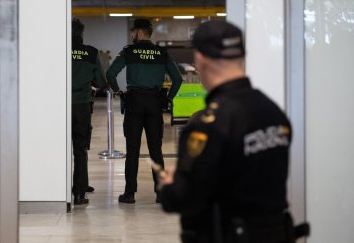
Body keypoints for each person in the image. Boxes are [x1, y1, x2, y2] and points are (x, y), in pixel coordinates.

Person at [159, 20, 295, 242]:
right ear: (241, 56)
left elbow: (183, 198)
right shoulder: (272, 111)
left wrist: (169, 185)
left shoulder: (208, 124)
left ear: (200, 58)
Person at [106, 18, 182, 204]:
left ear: (138, 33)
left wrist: (118, 92)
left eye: (133, 32)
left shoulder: (128, 51)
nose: (132, 35)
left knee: (132, 150)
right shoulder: (161, 53)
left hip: (134, 102)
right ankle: (161, 193)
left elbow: (110, 74)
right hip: (155, 103)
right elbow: (177, 78)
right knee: (156, 150)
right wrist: (168, 97)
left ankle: (130, 194)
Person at [71, 19, 106, 205]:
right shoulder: (91, 52)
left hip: (60, 107)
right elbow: (100, 81)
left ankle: (56, 187)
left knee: (58, 149)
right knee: (80, 149)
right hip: (82, 106)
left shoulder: (57, 49)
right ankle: (79, 192)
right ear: (82, 33)